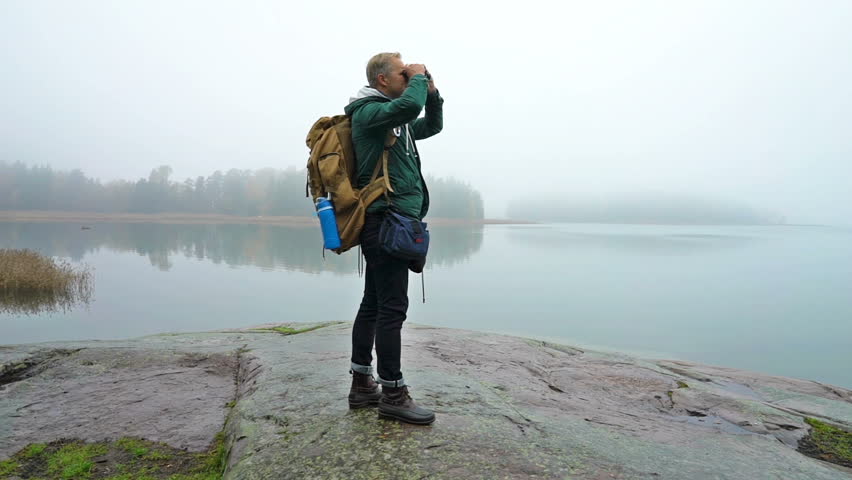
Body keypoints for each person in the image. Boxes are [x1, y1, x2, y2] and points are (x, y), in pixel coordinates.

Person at [344, 52, 443, 425]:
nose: (410, 74)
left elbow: (432, 125)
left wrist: (430, 91)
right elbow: (409, 106)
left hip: (394, 221)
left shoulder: (395, 121)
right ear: (383, 80)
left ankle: (361, 385)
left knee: (373, 303)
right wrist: (418, 82)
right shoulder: (368, 113)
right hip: (386, 221)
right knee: (392, 309)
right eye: (403, 72)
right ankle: (394, 393)